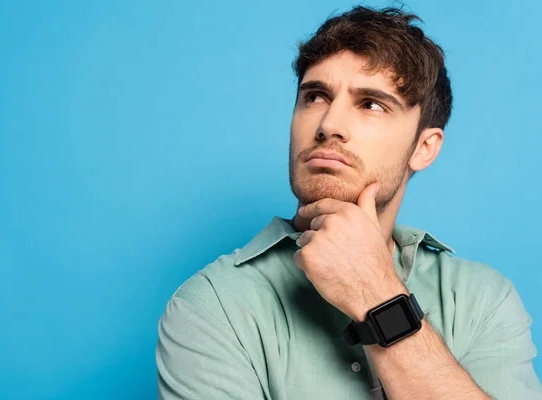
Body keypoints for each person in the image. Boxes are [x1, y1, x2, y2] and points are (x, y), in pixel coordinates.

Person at [155, 6, 542, 399]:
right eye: (315, 96)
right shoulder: (213, 305)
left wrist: (377, 294)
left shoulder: (482, 299)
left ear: (424, 148)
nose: (328, 125)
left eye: (371, 103)